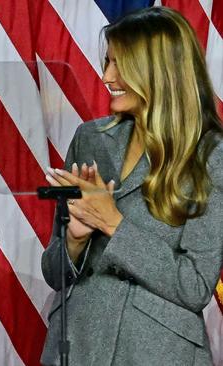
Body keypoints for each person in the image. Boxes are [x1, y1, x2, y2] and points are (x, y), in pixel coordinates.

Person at [41, 6, 223, 366]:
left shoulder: (211, 156)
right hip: (77, 347)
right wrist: (75, 241)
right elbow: (54, 272)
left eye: (119, 64)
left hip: (157, 353)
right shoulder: (90, 138)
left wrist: (113, 224)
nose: (107, 76)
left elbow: (196, 285)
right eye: (107, 62)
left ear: (160, 71)